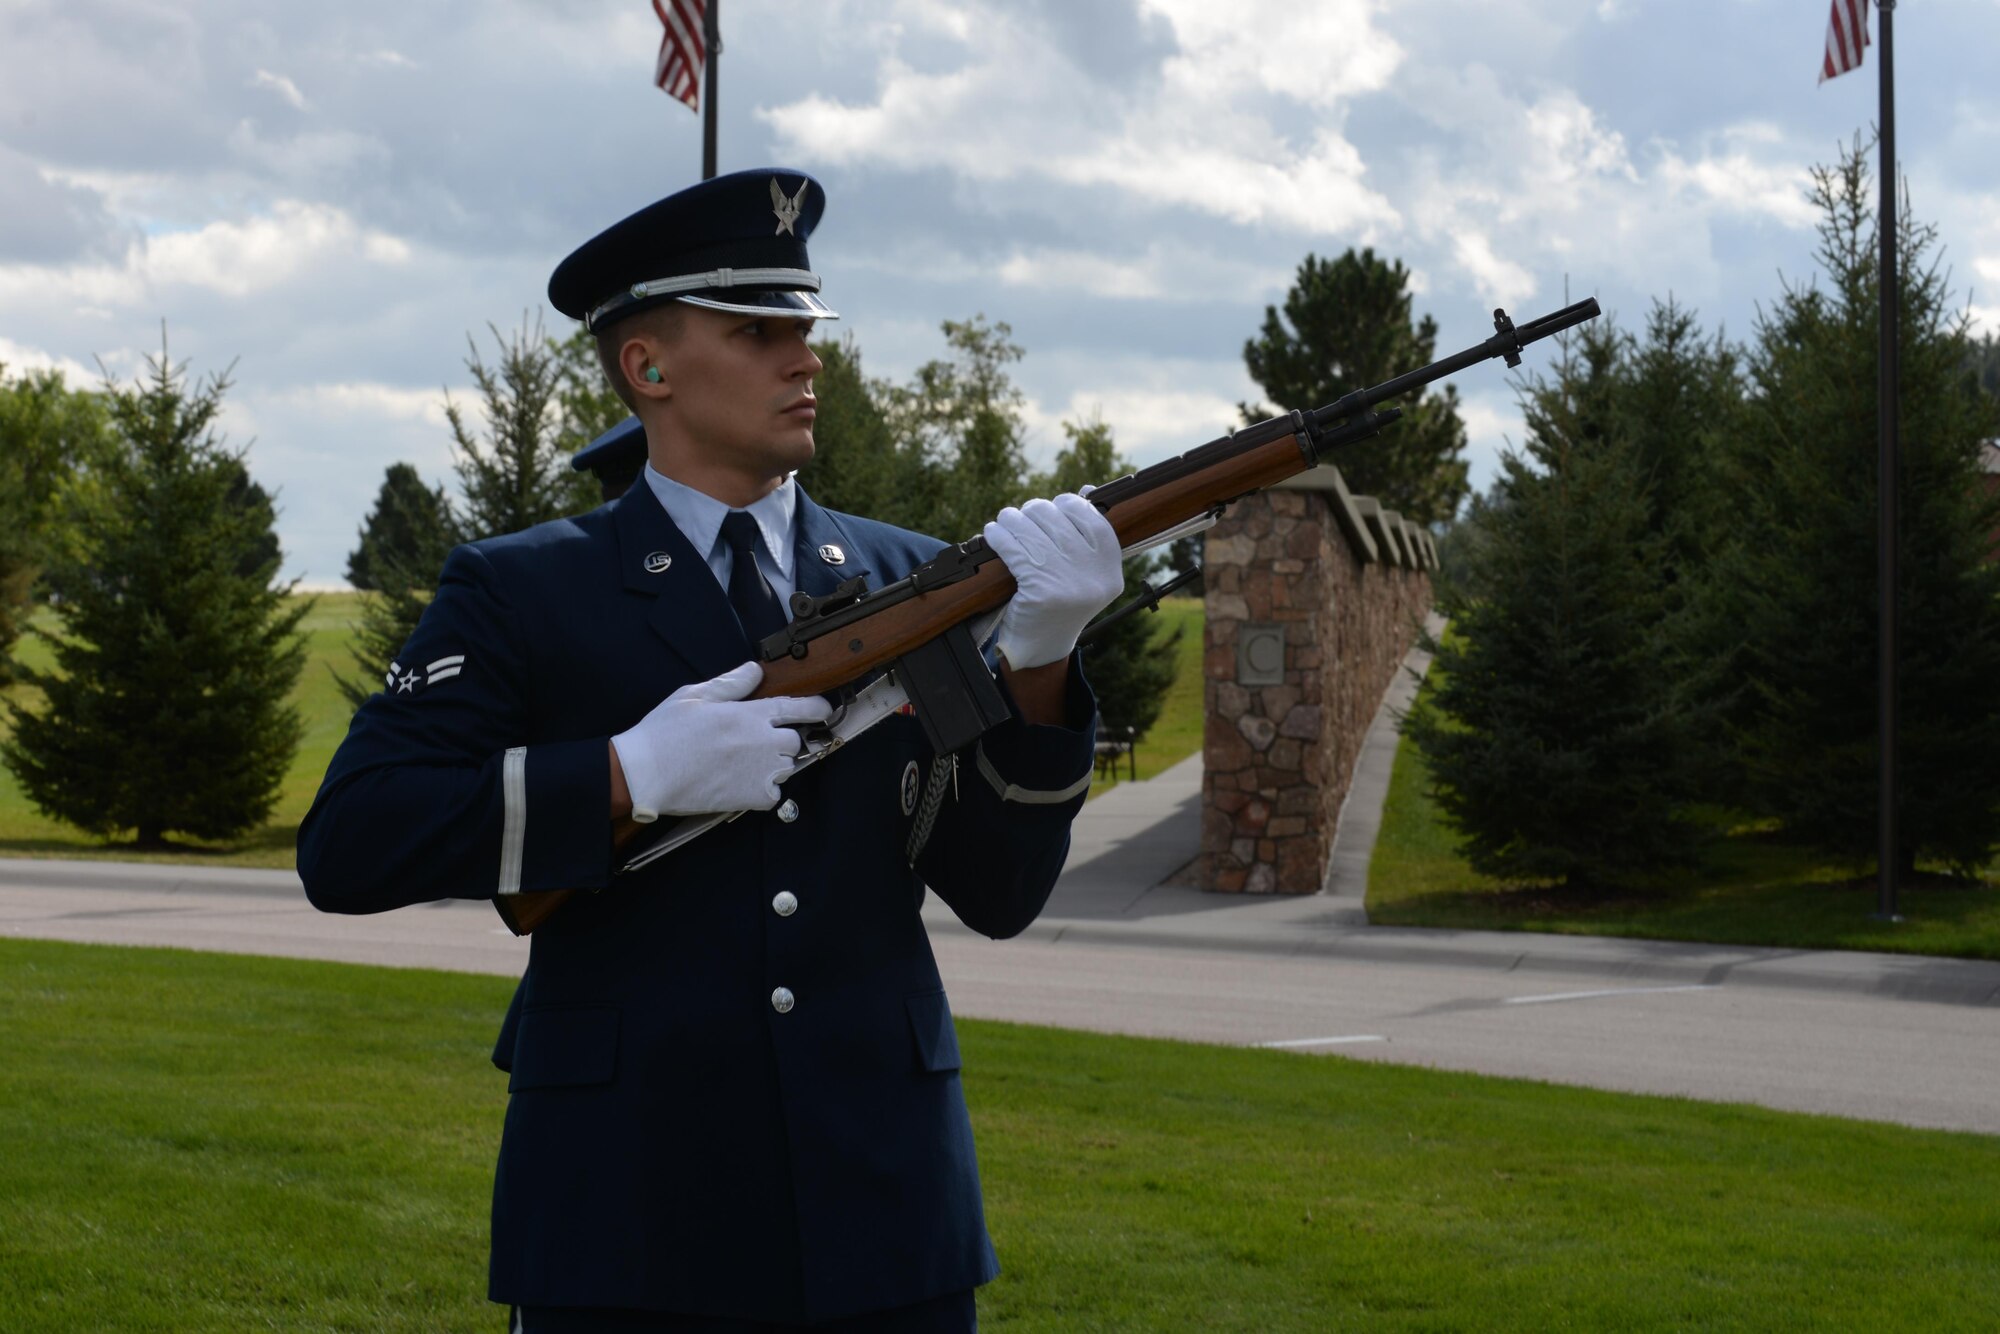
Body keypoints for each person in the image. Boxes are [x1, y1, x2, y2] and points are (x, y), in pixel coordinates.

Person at [297, 167, 1125, 1332]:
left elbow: (997, 890)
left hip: (883, 1206)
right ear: (647, 367)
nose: (807, 358)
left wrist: (1038, 663)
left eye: (807, 328)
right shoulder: (524, 590)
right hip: (627, 1207)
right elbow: (352, 837)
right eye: (760, 330)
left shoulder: (908, 580)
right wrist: (629, 774)